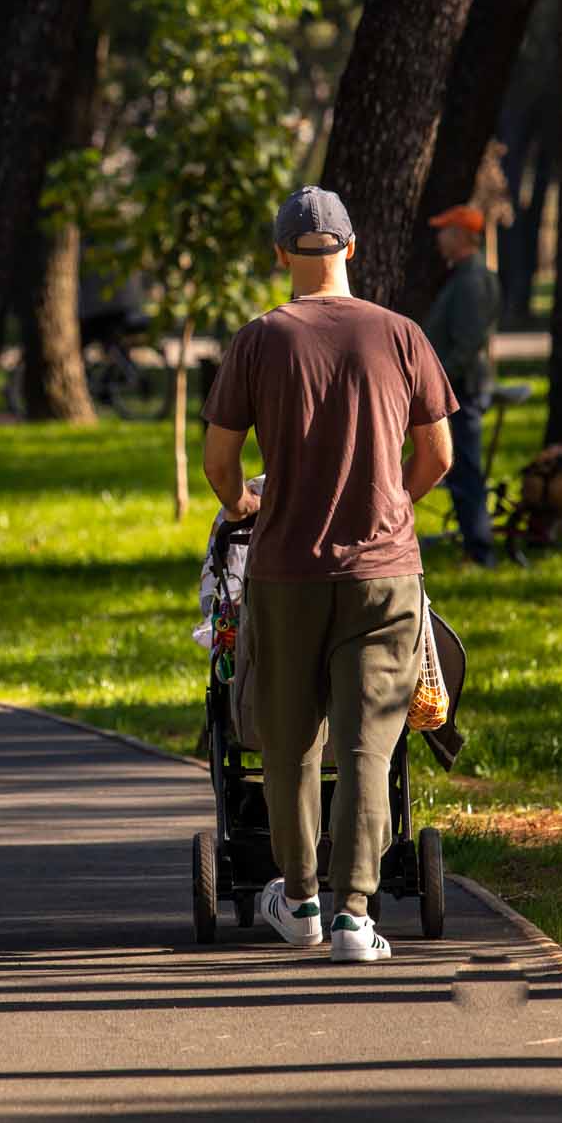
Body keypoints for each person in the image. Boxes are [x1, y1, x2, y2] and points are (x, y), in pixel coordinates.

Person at [202, 186, 457, 963]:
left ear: (281, 254)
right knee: (368, 750)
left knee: (289, 747)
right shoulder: (401, 335)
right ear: (352, 249)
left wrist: (249, 502)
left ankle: (301, 901)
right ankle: (355, 918)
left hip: (284, 575)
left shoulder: (259, 340)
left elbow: (220, 463)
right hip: (383, 576)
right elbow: (439, 457)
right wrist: (390, 503)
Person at [420, 205, 502, 565]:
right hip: (460, 387)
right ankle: (473, 544)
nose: (438, 238)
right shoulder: (466, 275)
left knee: (465, 470)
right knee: (462, 468)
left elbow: (467, 345)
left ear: (461, 236)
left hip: (461, 389)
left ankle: (480, 551)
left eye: (444, 231)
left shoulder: (470, 281)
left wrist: (434, 383)